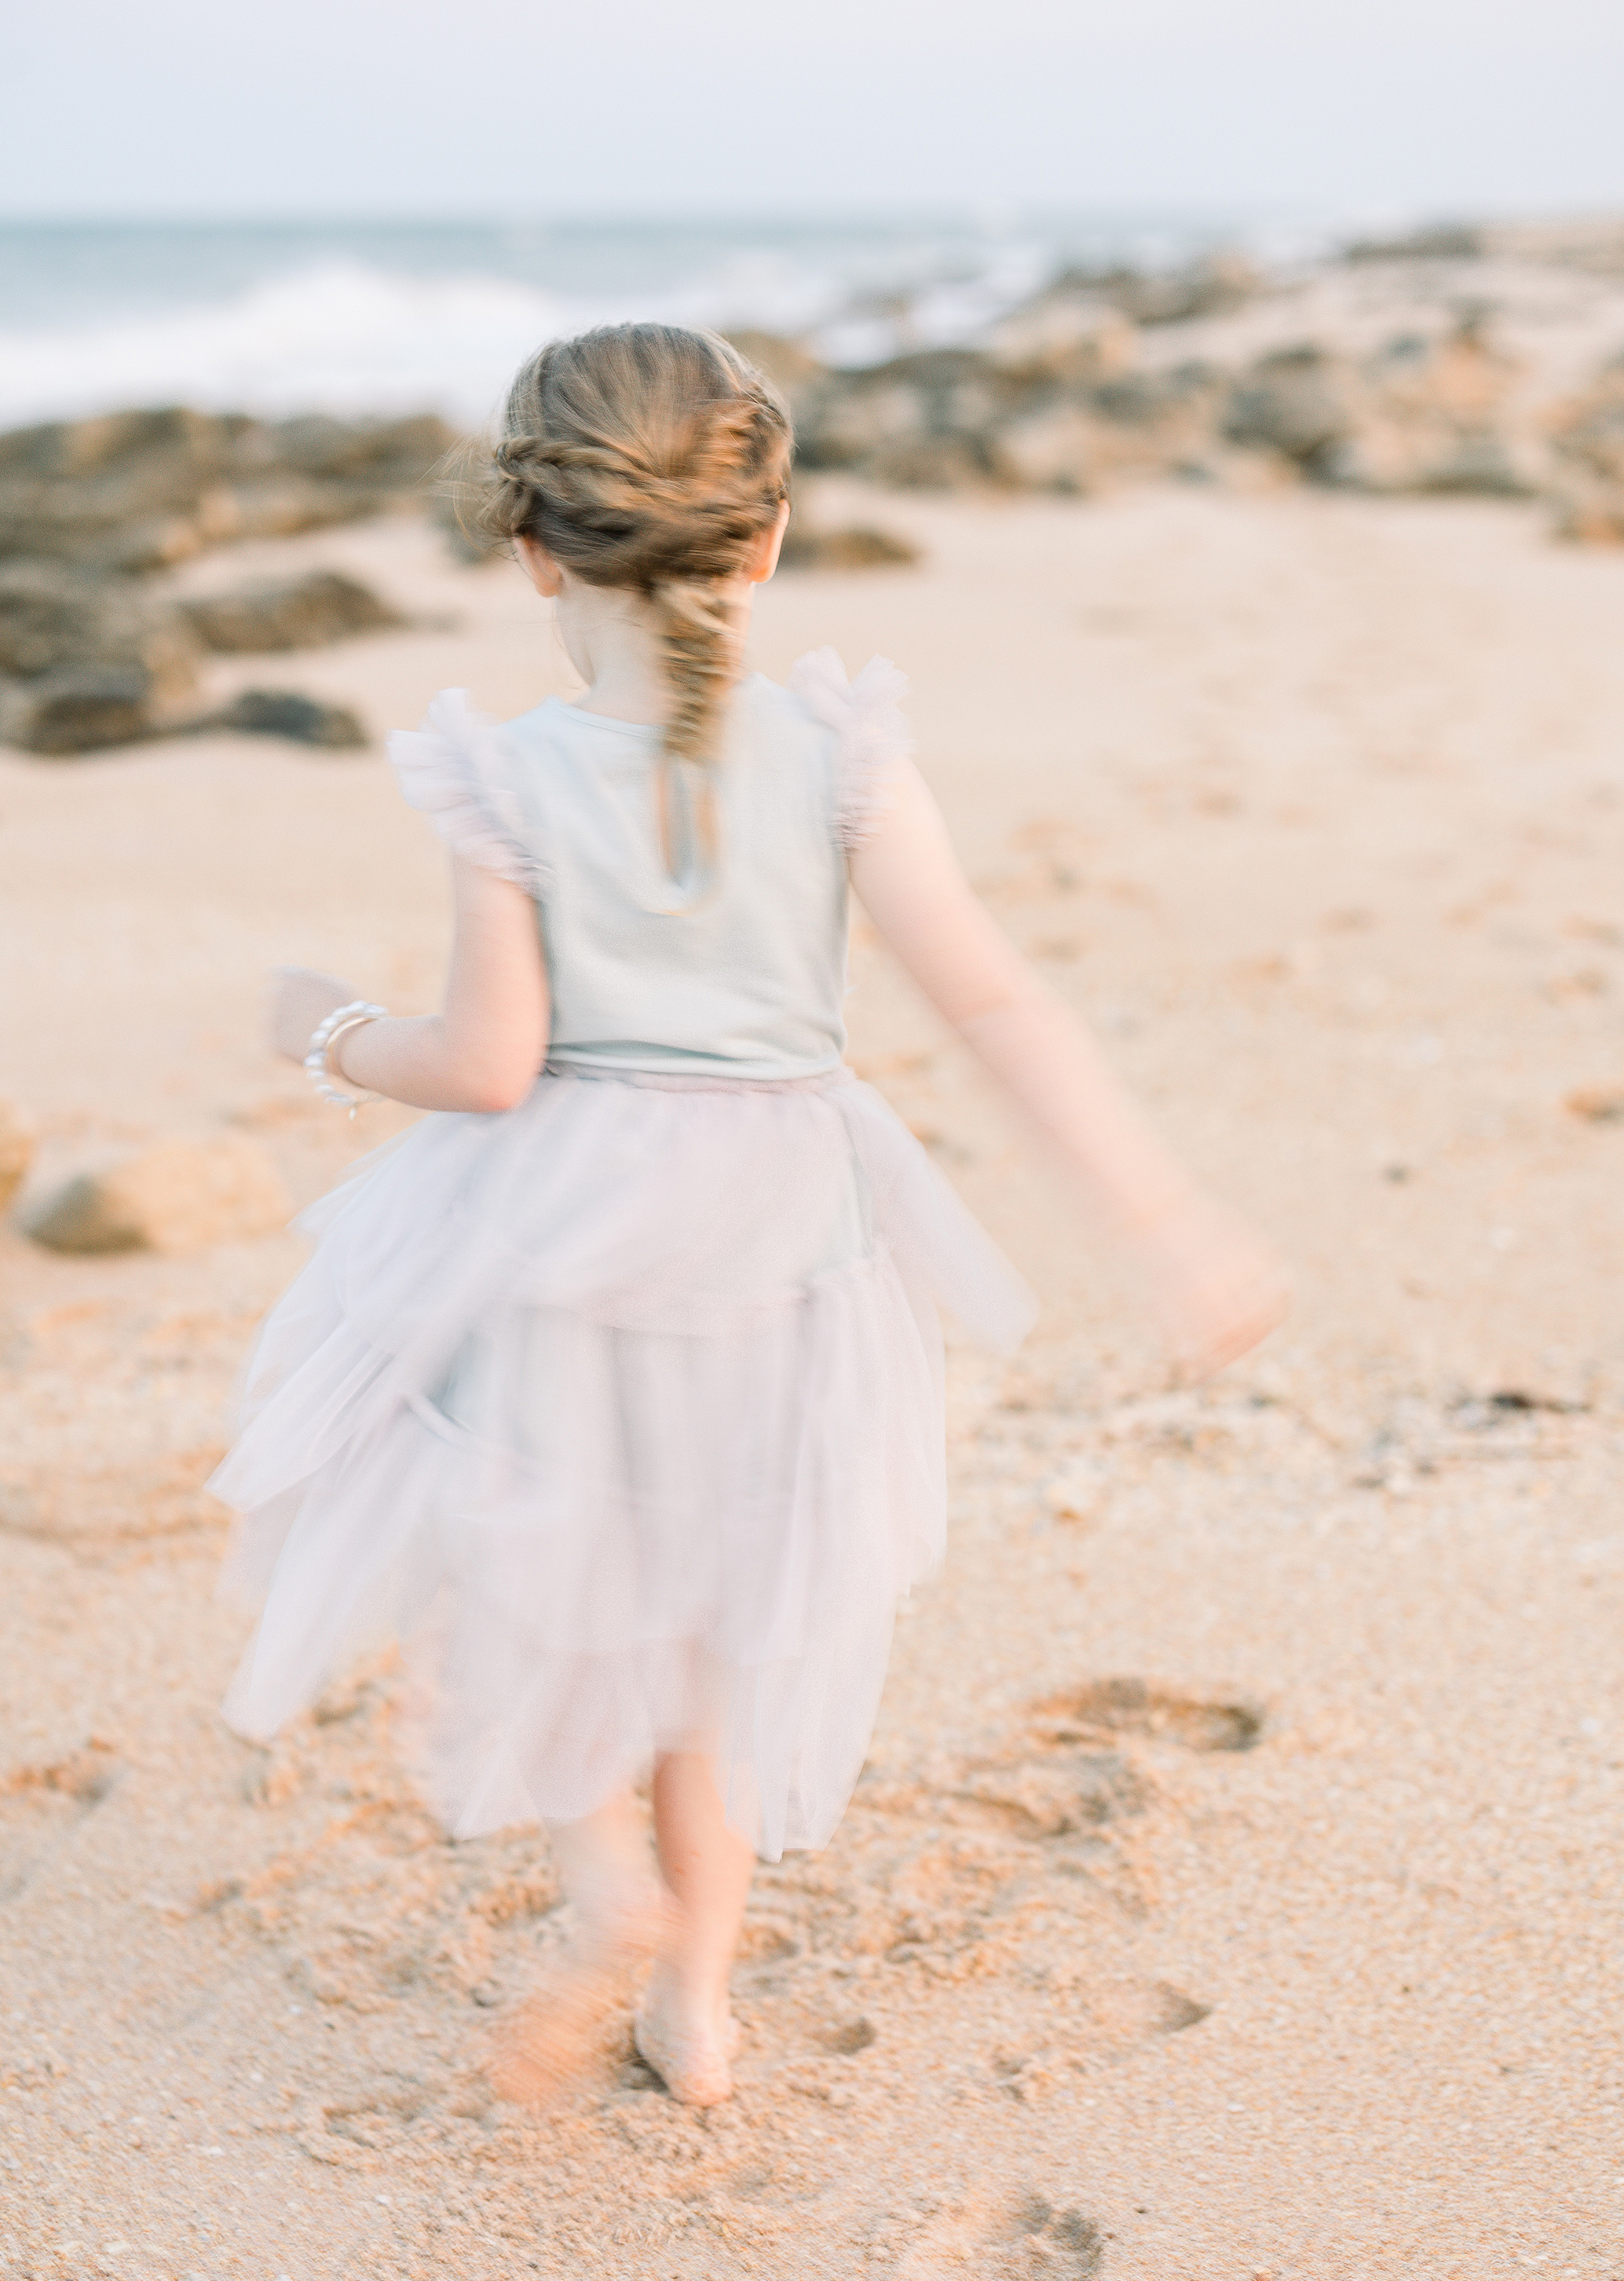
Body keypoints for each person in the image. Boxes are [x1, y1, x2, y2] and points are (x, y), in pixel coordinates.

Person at [212, 323, 1283, 2111]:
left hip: (559, 1239)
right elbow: (995, 1003)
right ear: (767, 537)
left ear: (531, 543)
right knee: (720, 1615)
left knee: (557, 1570)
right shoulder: (845, 755)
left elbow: (487, 1066)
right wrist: (1165, 1219)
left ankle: (602, 1885)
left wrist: (325, 1027)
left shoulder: (510, 780)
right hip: (786, 1247)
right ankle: (695, 2007)